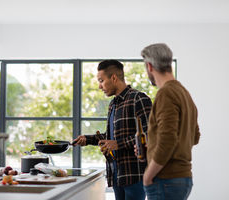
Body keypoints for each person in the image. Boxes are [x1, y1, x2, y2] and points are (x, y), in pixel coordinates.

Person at [74, 59, 152, 200]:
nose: (99, 86)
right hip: (116, 174)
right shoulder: (113, 104)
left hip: (135, 175)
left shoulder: (138, 99)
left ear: (114, 78)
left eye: (101, 80)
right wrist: (88, 139)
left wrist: (118, 144)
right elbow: (111, 136)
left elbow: (150, 134)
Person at [139, 43, 200, 200]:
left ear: (150, 66)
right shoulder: (184, 93)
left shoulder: (166, 93)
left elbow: (168, 139)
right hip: (182, 178)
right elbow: (194, 137)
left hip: (165, 179)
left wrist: (148, 175)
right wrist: (151, 146)